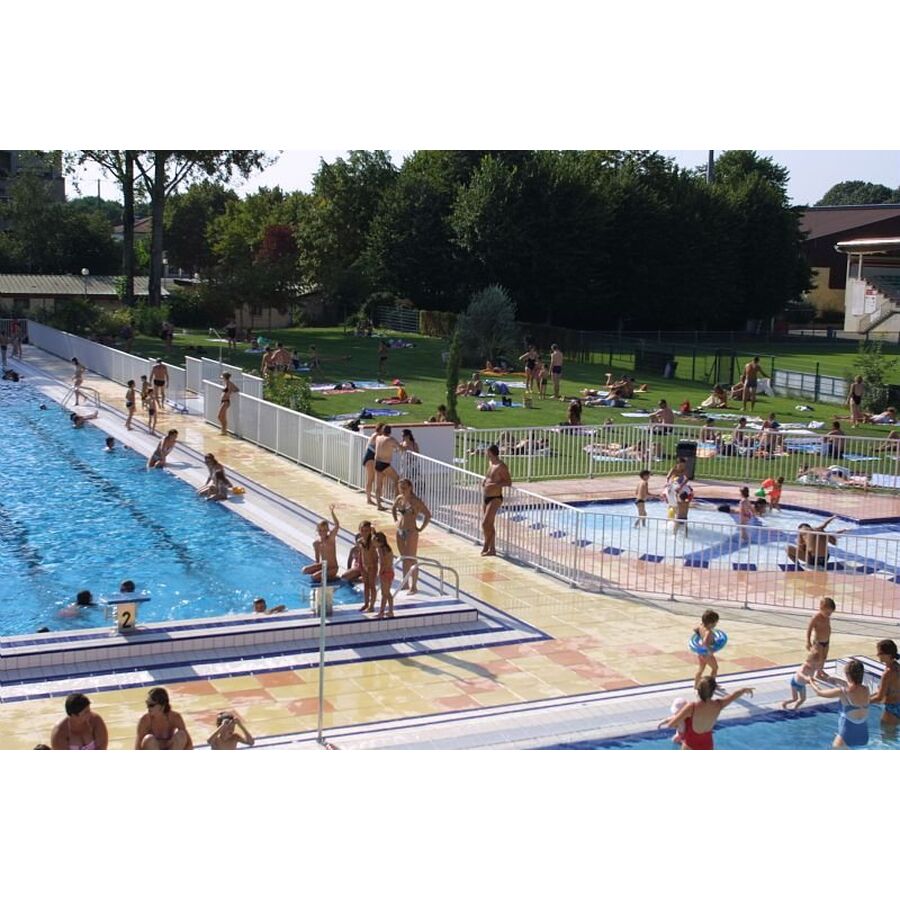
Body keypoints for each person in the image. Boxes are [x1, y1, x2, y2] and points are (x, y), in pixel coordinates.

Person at [658, 677, 754, 750]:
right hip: (708, 744)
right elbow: (733, 696)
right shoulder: (718, 704)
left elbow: (671, 724)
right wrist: (743, 690)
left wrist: (681, 723)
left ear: (698, 690)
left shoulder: (692, 707)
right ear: (713, 691)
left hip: (690, 745)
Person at [808, 658, 870, 749]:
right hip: (863, 735)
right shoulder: (866, 689)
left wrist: (810, 681)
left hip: (847, 735)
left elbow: (819, 692)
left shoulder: (842, 692)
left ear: (848, 675)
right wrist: (829, 678)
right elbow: (849, 685)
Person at [391, 479, 431, 593]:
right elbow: (393, 509)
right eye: (400, 487)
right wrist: (395, 520)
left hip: (411, 532)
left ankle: (414, 585)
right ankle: (405, 583)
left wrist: (421, 528)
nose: (402, 490)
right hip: (400, 530)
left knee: (411, 558)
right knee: (404, 558)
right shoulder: (399, 498)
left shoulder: (415, 501)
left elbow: (428, 515)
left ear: (410, 488)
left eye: (404, 487)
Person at [482, 444, 512, 557]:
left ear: (491, 452)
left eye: (487, 452)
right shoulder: (491, 463)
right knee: (489, 524)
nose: (485, 453)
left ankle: (486, 544)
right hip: (486, 496)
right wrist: (485, 481)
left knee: (485, 523)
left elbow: (508, 482)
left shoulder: (501, 466)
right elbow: (489, 477)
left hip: (495, 498)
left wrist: (494, 485)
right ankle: (492, 549)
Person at [302, 504, 341, 583]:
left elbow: (337, 525)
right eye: (320, 530)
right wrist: (316, 569)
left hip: (333, 568)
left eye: (324, 530)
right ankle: (323, 576)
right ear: (317, 530)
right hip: (323, 566)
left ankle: (334, 578)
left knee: (314, 577)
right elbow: (317, 561)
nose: (322, 532)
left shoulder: (330, 539)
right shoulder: (316, 543)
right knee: (304, 570)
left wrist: (332, 512)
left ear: (327, 530)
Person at [869, 638, 900, 730]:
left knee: (887, 739)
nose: (877, 655)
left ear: (888, 655)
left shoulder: (888, 673)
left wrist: (861, 702)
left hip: (891, 709)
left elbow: (879, 697)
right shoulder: (897, 667)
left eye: (880, 653)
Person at [373, 425, 404, 511]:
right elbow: (401, 448)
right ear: (390, 432)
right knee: (397, 479)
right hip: (385, 463)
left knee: (378, 485)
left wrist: (394, 448)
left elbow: (385, 447)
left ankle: (379, 505)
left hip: (377, 462)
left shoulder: (378, 438)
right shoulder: (391, 439)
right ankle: (396, 503)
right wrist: (402, 446)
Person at [805, 597, 836, 676]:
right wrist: (808, 642)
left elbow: (827, 627)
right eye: (827, 613)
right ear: (821, 608)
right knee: (819, 658)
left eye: (830, 613)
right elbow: (809, 629)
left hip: (826, 641)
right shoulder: (816, 618)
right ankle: (811, 671)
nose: (829, 615)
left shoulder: (827, 618)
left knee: (824, 657)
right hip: (818, 642)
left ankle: (820, 671)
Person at [693, 609, 721, 690]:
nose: (716, 623)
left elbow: (695, 629)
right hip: (707, 654)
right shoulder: (708, 632)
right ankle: (712, 685)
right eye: (716, 622)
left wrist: (699, 636)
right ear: (711, 623)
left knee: (701, 669)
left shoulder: (701, 626)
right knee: (715, 668)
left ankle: (696, 685)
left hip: (700, 653)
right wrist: (710, 650)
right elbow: (705, 643)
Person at [357, 521, 379, 613]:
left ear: (369, 531)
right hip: (364, 566)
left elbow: (377, 538)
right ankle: (366, 603)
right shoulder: (360, 541)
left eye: (366, 530)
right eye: (362, 530)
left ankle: (372, 605)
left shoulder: (373, 541)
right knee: (366, 585)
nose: (364, 532)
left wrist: (373, 530)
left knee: (372, 585)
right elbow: (360, 554)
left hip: (372, 566)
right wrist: (360, 565)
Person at [374, 531, 396, 619]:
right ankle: (390, 611)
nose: (373, 543)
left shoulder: (380, 549)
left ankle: (381, 612)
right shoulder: (387, 548)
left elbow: (383, 563)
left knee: (384, 594)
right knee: (388, 593)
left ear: (378, 541)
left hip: (385, 573)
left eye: (373, 541)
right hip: (390, 572)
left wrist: (379, 574)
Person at [362, 423, 385, 505]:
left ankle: (377, 496)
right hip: (370, 457)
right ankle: (368, 498)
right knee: (370, 478)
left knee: (379, 477)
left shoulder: (379, 436)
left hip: (373, 458)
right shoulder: (376, 436)